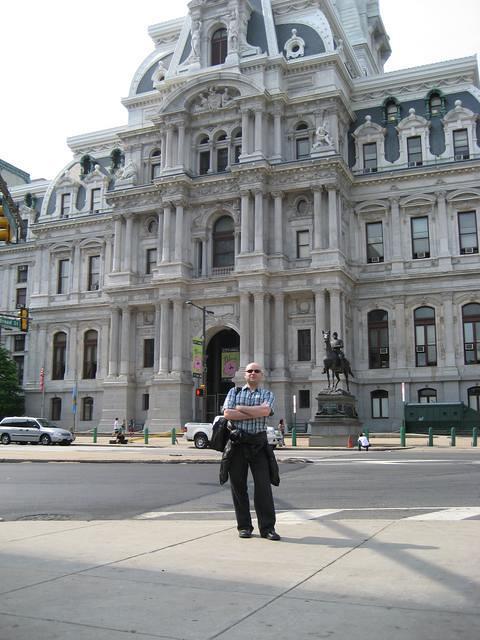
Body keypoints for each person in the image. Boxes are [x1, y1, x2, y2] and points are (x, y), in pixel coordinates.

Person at [223, 363, 280, 541]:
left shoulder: (267, 394)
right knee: (238, 487)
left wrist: (240, 409)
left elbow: (266, 410)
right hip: (238, 444)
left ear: (261, 375)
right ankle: (244, 526)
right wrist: (256, 412)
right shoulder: (234, 392)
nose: (253, 373)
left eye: (256, 371)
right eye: (250, 371)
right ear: (244, 375)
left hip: (259, 444)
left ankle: (267, 528)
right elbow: (227, 414)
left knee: (263, 487)